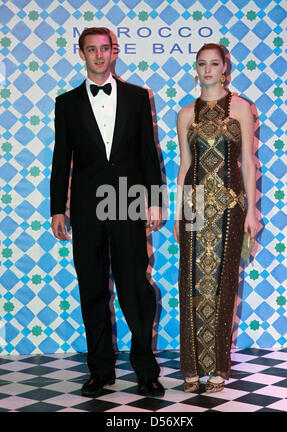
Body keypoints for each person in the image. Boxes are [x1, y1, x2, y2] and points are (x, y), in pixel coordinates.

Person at [50, 27, 165, 398]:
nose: (100, 55)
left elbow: (149, 153)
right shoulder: (65, 102)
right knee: (93, 287)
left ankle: (146, 369)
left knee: (135, 287)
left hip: (129, 201)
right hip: (86, 208)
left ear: (113, 52)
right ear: (81, 53)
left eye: (105, 49)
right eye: (92, 49)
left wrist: (155, 199)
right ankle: (100, 371)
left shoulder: (137, 96)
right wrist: (57, 208)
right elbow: (60, 159)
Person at [173, 43, 259, 393]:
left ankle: (219, 370)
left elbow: (249, 165)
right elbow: (184, 165)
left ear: (225, 67)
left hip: (230, 207)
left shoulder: (241, 108)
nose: (207, 70)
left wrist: (252, 209)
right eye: (201, 64)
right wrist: (179, 213)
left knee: (223, 287)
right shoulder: (184, 113)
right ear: (196, 68)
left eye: (214, 63)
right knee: (189, 285)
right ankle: (191, 368)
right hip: (194, 207)